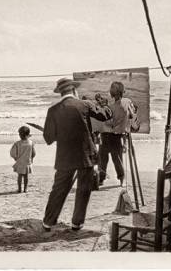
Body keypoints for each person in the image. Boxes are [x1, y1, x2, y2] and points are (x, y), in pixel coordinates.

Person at [41, 78, 112, 232]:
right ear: (74, 90)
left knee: (58, 190)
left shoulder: (53, 110)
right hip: (85, 154)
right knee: (83, 189)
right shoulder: (84, 105)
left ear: (61, 92)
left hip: (64, 157)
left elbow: (48, 138)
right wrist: (104, 104)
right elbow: (105, 115)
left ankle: (48, 222)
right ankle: (77, 223)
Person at [98, 82, 139, 187]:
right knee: (115, 158)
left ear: (114, 93)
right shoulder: (127, 102)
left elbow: (108, 122)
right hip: (116, 135)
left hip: (110, 135)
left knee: (105, 158)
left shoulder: (112, 107)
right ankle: (120, 179)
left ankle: (102, 179)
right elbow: (133, 114)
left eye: (112, 90)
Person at [10, 125, 36, 193]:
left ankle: (19, 189)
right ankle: (25, 189)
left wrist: (15, 158)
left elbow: (12, 152)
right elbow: (34, 153)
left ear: (20, 135)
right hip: (27, 162)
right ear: (27, 135)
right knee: (26, 177)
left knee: (20, 176)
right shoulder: (31, 143)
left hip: (20, 162)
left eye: (19, 134)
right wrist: (32, 158)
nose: (19, 135)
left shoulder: (17, 143)